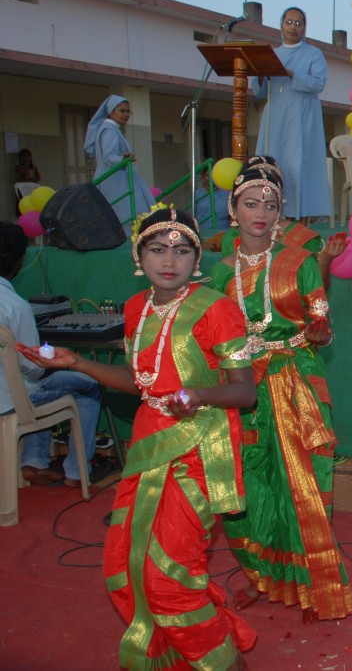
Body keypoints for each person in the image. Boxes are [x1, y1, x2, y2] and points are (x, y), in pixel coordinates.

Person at [19, 205, 258, 670]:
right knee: (128, 566)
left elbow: (245, 391)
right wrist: (79, 364)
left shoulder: (218, 309)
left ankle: (226, 664)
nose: (169, 260)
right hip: (149, 446)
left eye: (182, 250)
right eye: (157, 249)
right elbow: (141, 380)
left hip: (196, 449)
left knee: (171, 577)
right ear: (139, 256)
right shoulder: (136, 307)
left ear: (196, 258)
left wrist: (197, 394)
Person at [210, 159, 352, 624]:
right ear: (233, 209)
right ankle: (264, 577)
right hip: (242, 389)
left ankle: (314, 583)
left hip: (295, 382)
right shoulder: (216, 274)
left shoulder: (301, 264)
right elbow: (212, 338)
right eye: (251, 203)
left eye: (270, 205)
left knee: (304, 485)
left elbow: (322, 324)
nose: (261, 212)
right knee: (252, 487)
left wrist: (319, 333)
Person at [0, 221, 106, 488]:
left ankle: (35, 460)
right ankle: (76, 471)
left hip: (10, 393)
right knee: (86, 386)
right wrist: (59, 364)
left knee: (40, 383)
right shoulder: (15, 306)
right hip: (9, 401)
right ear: (19, 262)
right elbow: (33, 368)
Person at [251, 7, 331, 224]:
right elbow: (259, 92)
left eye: (298, 23)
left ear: (304, 27)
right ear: (281, 25)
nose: (293, 27)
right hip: (276, 118)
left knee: (300, 166)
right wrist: (259, 74)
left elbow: (318, 82)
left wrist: (291, 74)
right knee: (274, 164)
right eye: (289, 22)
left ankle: (302, 220)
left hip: (302, 119)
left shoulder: (313, 53)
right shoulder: (272, 54)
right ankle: (272, 217)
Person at [218, 157, 344, 289]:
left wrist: (325, 261)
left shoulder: (301, 238)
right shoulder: (231, 238)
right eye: (251, 203)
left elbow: (316, 294)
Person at [83, 95, 156, 229]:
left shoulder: (110, 129)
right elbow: (108, 156)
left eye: (128, 112)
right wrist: (122, 159)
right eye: (122, 111)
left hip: (114, 178)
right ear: (111, 111)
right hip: (114, 180)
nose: (126, 115)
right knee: (125, 212)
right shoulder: (110, 131)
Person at [194, 166, 231, 231]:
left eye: (213, 176)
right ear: (203, 178)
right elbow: (192, 215)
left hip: (222, 231)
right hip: (202, 232)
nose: (210, 178)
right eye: (207, 175)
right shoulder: (196, 195)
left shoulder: (227, 194)